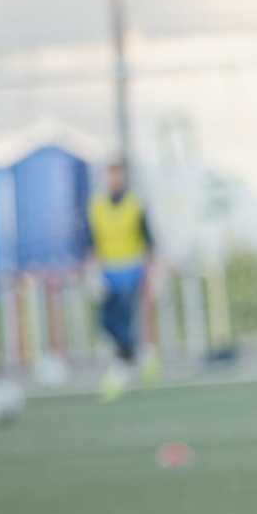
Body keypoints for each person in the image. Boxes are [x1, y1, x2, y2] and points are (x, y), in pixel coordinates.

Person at [87, 160, 157, 400]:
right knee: (106, 321)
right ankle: (140, 355)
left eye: (119, 175)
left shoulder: (135, 203)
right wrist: (92, 271)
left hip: (131, 270)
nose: (116, 180)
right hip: (107, 272)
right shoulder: (97, 205)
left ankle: (123, 363)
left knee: (124, 319)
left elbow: (148, 238)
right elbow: (91, 239)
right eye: (112, 175)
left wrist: (153, 271)